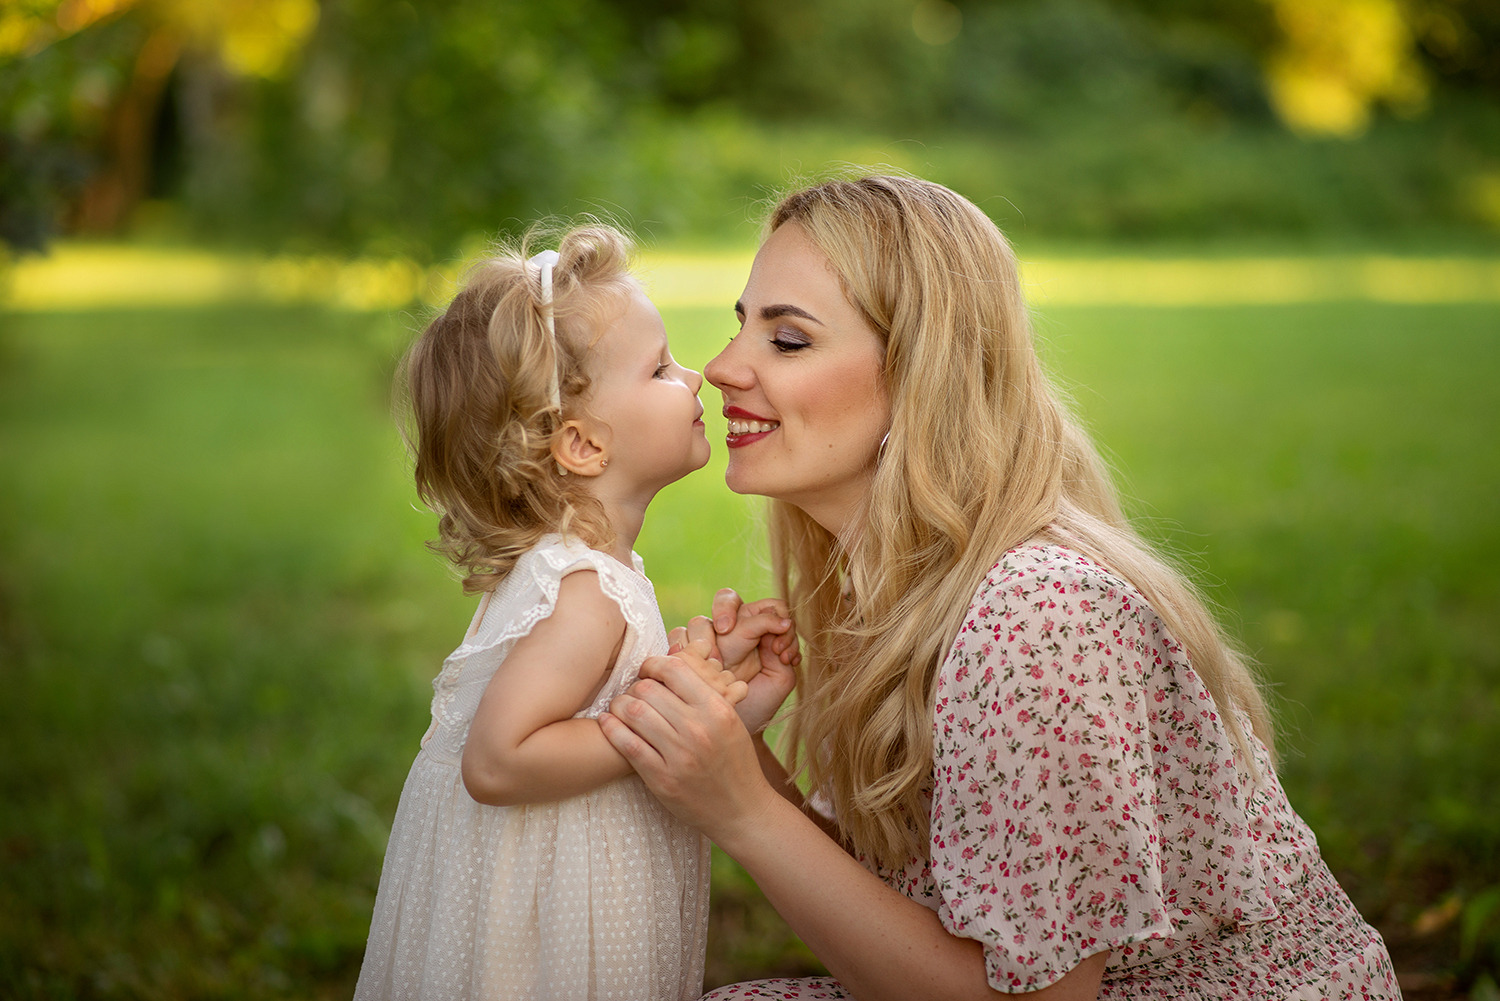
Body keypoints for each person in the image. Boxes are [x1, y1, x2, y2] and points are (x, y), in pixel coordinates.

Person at [598, 175, 1401, 1000]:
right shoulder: (895, 593)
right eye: (742, 327)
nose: (721, 368)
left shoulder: (1038, 614)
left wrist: (745, 814)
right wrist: (744, 765)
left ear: (923, 374)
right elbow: (918, 923)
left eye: (789, 340)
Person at [353, 223, 799, 1001]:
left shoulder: (588, 570)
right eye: (660, 368)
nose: (695, 376)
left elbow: (595, 717)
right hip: (546, 928)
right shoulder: (584, 590)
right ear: (583, 446)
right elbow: (498, 760)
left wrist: (717, 702)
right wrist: (647, 724)